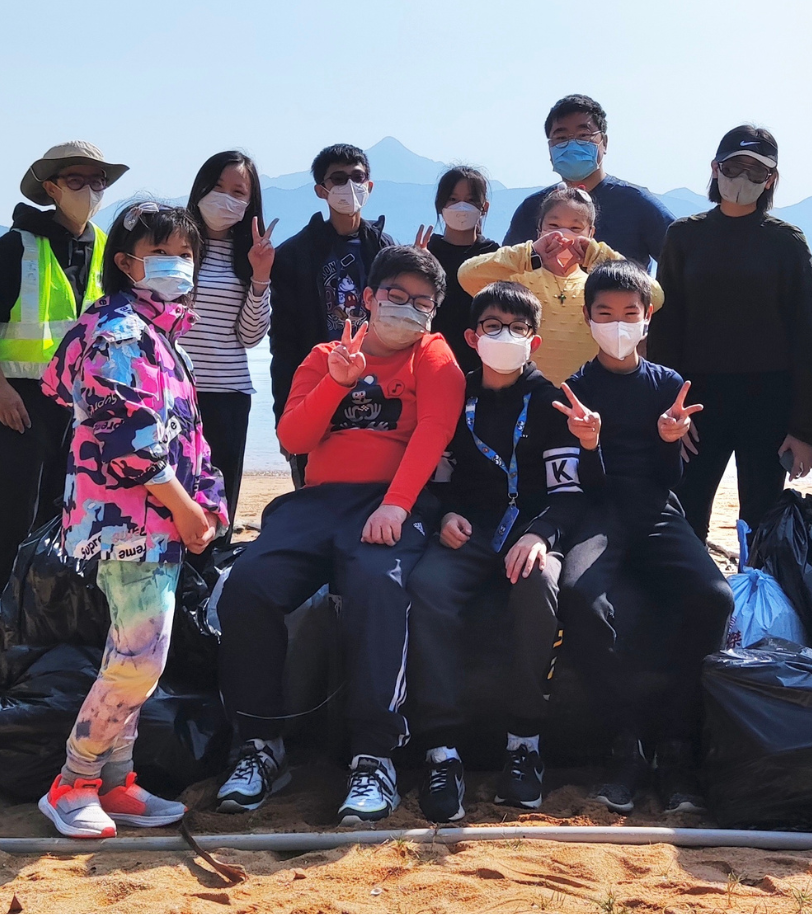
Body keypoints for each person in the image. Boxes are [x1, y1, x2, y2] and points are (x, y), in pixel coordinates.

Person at [215, 245, 465, 825]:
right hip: (317, 502)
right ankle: (260, 746)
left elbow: (433, 432)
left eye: (421, 303)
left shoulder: (435, 357)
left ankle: (373, 755)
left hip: (390, 501)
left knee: (379, 586)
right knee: (248, 584)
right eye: (395, 298)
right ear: (369, 299)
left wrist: (398, 506)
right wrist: (336, 382)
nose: (406, 310)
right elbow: (296, 438)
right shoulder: (327, 354)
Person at [35, 202, 229, 839]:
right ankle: (75, 780)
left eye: (188, 254)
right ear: (126, 262)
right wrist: (185, 505)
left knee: (138, 649)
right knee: (141, 656)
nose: (182, 266)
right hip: (128, 520)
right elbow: (129, 440)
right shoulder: (120, 333)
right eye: (166, 253)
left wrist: (203, 506)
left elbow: (184, 432)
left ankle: (117, 782)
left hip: (158, 517)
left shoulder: (160, 334)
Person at [406, 281, 592, 822]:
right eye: (492, 327)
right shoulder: (451, 397)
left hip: (532, 533)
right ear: (471, 336)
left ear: (534, 342)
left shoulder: (554, 402)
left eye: (517, 329)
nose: (503, 337)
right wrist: (443, 516)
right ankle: (441, 751)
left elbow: (569, 496)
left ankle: (524, 744)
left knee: (539, 584)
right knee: (427, 585)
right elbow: (431, 478)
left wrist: (540, 536)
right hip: (466, 534)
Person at [555, 261, 734, 815]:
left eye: (628, 314)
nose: (617, 324)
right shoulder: (577, 389)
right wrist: (588, 445)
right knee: (583, 597)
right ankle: (626, 742)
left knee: (714, 596)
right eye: (604, 314)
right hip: (600, 515)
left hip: (657, 511)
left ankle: (677, 743)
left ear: (647, 317)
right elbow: (586, 488)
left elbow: (669, 480)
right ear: (587, 319)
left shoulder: (665, 383)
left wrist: (666, 441)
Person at [0, 141, 127, 606]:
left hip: (79, 406)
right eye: (76, 181)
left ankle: (40, 617)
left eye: (98, 181)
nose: (90, 190)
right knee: (7, 519)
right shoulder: (17, 246)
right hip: (16, 401)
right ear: (51, 188)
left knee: (63, 517)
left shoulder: (107, 251)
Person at [650, 125, 812, 539]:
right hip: (697, 401)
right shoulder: (683, 236)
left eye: (756, 171)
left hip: (769, 401)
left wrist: (807, 430)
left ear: (771, 180)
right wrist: (669, 407)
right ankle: (693, 600)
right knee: (685, 514)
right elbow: (666, 330)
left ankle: (759, 599)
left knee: (763, 521)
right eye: (734, 167)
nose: (743, 179)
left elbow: (808, 338)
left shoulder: (786, 242)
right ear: (715, 169)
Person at [269, 143, 398, 489]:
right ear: (321, 190)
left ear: (369, 185)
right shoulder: (294, 254)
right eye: (338, 179)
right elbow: (284, 342)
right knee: (315, 493)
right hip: (318, 390)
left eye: (357, 177)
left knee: (375, 488)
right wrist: (284, 413)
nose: (349, 186)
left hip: (379, 390)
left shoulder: (386, 249)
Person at [459, 187, 663, 385]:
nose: (563, 235)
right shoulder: (517, 279)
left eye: (575, 229)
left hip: (586, 400)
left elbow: (655, 297)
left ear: (591, 233)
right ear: (540, 229)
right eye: (553, 227)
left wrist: (601, 257)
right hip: (529, 399)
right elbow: (467, 275)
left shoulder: (599, 288)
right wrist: (528, 255)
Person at [179, 150, 275, 524]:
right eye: (217, 186)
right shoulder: (172, 246)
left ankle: (209, 579)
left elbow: (250, 336)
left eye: (237, 191)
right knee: (171, 494)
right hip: (171, 392)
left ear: (250, 202)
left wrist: (260, 276)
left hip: (228, 394)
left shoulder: (251, 255)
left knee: (217, 501)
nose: (225, 198)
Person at [502, 94, 675, 266]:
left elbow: (682, 258)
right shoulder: (532, 209)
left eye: (584, 135)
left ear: (604, 143)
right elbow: (504, 270)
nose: (572, 144)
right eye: (561, 138)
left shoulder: (637, 204)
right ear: (550, 148)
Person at [426, 166, 498, 374]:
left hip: (482, 365)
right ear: (440, 206)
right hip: (433, 360)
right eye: (453, 199)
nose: (461, 207)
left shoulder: (493, 255)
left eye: (470, 200)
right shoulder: (427, 252)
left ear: (484, 207)